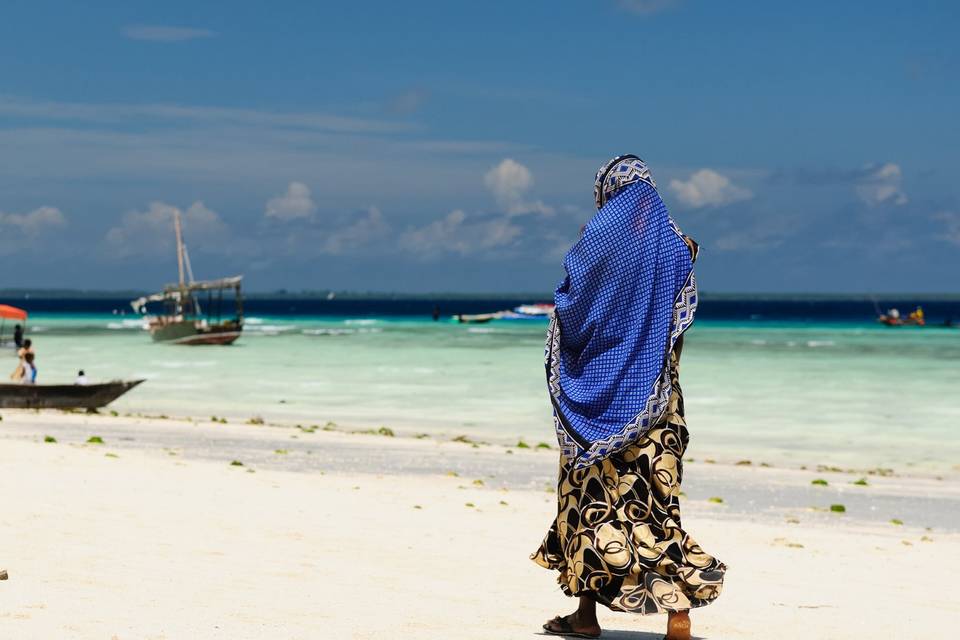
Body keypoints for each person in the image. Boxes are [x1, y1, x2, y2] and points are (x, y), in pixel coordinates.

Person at [533, 155, 725, 640]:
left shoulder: (596, 243)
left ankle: (585, 617)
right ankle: (677, 617)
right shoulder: (678, 246)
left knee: (587, 503)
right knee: (655, 506)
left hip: (597, 403)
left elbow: (570, 306)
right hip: (659, 406)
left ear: (606, 194)